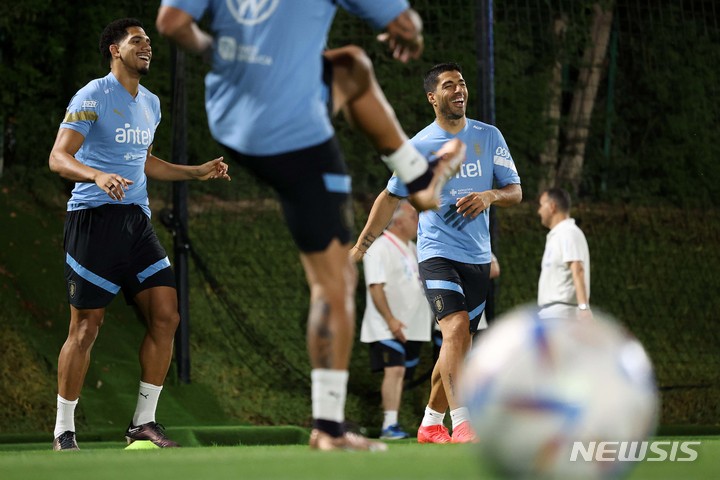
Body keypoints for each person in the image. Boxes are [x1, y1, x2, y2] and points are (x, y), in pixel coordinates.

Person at [155, 0, 466, 451]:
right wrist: (410, 34)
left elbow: (171, 22)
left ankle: (418, 178)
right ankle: (329, 428)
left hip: (230, 117)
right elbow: (406, 25)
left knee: (349, 66)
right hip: (291, 134)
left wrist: (224, 55)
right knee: (335, 281)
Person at [48, 18, 230, 451]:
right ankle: (63, 430)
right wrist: (96, 175)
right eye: (136, 41)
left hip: (136, 224)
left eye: (149, 41)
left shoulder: (151, 102)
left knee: (167, 316)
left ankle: (142, 423)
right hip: (93, 221)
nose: (146, 46)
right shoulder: (92, 95)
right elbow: (59, 157)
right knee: (86, 329)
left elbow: (145, 162)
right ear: (114, 49)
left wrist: (196, 172)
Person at [351, 63, 522, 444]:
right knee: (456, 328)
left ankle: (430, 422)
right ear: (433, 97)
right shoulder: (418, 146)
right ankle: (463, 423)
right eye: (449, 85)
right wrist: (361, 245)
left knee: (457, 344)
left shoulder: (489, 136)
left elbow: (515, 190)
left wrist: (490, 195)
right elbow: (389, 196)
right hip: (436, 253)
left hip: (477, 257)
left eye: (462, 83)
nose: (459, 89)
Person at [359, 200, 432, 440]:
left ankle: (396, 423)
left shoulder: (412, 248)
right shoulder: (379, 246)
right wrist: (390, 320)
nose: (419, 221)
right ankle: (388, 426)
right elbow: (375, 286)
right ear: (398, 220)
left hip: (413, 327)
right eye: (414, 216)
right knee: (395, 369)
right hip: (387, 326)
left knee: (402, 373)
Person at [536, 188, 591, 320]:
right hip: (553, 313)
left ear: (552, 206)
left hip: (562, 315)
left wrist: (583, 308)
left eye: (541, 205)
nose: (539, 211)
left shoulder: (568, 233)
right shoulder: (558, 235)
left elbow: (577, 269)